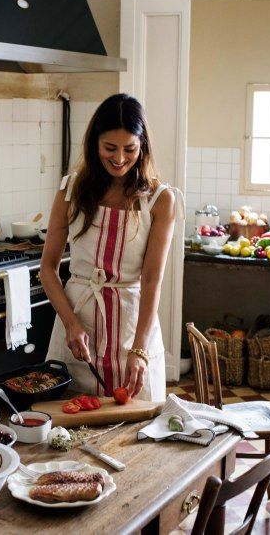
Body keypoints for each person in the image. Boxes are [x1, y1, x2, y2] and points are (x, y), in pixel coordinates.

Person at [40, 93, 183, 401]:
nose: (119, 158)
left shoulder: (160, 200)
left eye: (129, 149)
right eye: (110, 148)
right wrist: (71, 323)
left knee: (138, 430)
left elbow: (151, 279)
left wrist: (140, 349)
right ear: (95, 144)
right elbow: (48, 269)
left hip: (133, 326)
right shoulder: (70, 191)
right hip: (79, 322)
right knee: (70, 430)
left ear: (142, 146)